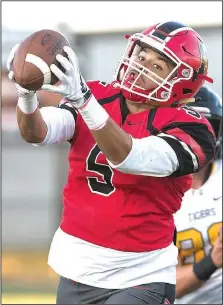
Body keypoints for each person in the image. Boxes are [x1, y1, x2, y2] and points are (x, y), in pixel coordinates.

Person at [7, 21, 216, 304]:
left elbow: (129, 157)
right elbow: (37, 133)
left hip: (142, 274)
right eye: (142, 57)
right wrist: (26, 95)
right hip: (79, 267)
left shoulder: (193, 128)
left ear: (183, 81)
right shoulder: (98, 96)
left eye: (157, 67)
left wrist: (83, 100)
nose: (140, 67)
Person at [175, 86, 222, 304]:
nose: (197, 139)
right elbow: (154, 285)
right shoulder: (150, 192)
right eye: (187, 129)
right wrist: (211, 262)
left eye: (206, 129)